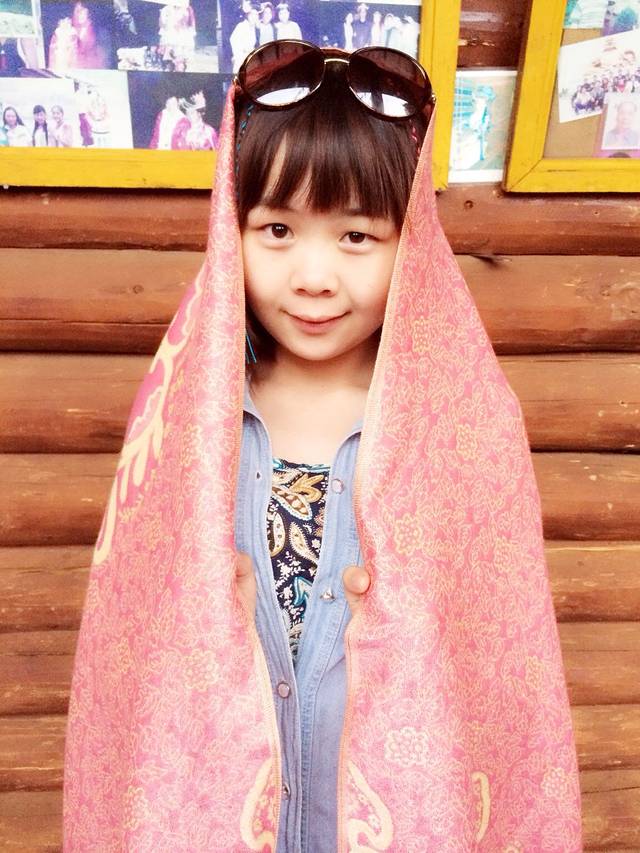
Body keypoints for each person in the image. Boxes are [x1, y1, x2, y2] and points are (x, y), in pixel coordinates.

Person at [63, 40, 583, 852]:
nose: (313, 276)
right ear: (229, 230)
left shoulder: (461, 430)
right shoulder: (187, 429)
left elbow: (495, 674)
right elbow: (136, 660)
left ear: (412, 243)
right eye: (277, 228)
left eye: (356, 236)